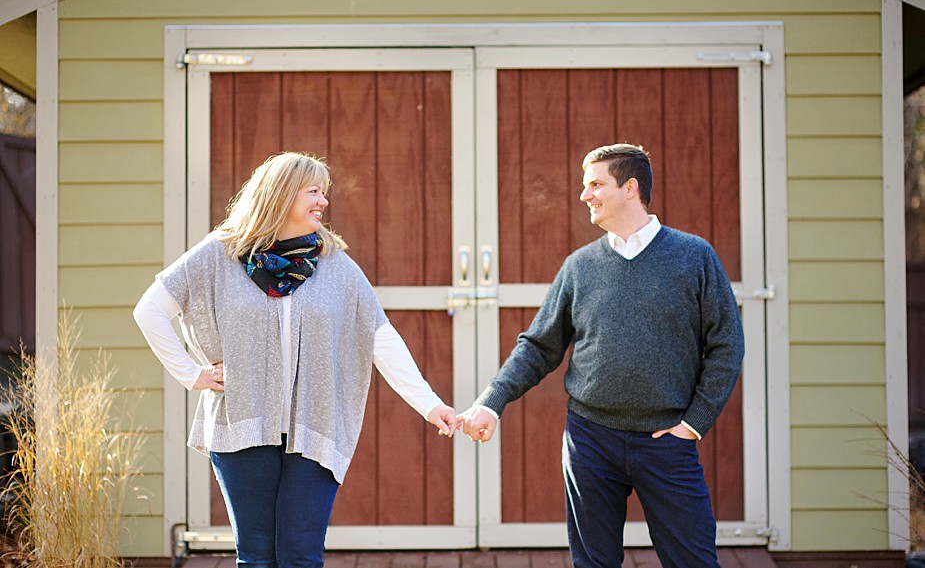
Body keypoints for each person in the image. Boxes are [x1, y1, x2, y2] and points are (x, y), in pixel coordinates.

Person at [134, 152, 457, 568]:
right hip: (243, 426)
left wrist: (429, 405)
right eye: (313, 191)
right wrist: (191, 375)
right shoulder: (218, 255)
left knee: (300, 556)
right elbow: (150, 310)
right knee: (257, 557)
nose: (323, 201)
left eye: (325, 192)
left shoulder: (333, 264)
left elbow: (380, 336)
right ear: (281, 194)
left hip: (315, 428)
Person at [458, 143, 745, 568]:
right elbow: (539, 346)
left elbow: (727, 344)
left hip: (667, 441)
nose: (584, 195)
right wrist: (491, 403)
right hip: (590, 440)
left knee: (695, 562)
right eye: (584, 185)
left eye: (595, 184)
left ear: (630, 188)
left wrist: (694, 424)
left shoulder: (694, 257)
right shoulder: (580, 266)